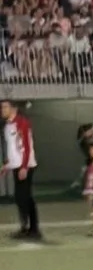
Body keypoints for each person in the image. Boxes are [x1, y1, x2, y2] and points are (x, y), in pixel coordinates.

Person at [5, 96, 43, 241]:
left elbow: (26, 146)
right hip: (16, 166)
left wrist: (24, 166)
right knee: (23, 198)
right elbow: (12, 149)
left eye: (5, 107)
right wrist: (6, 165)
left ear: (13, 108)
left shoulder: (22, 123)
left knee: (23, 197)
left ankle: (30, 228)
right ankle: (29, 228)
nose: (2, 110)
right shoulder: (8, 126)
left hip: (25, 166)